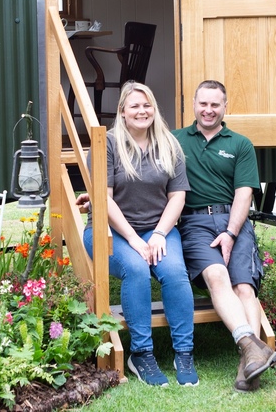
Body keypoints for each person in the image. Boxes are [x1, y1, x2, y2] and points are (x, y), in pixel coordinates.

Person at [80, 81, 198, 387]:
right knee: (136, 269)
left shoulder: (169, 144)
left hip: (157, 229)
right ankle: (142, 353)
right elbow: (103, 200)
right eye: (134, 106)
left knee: (174, 272)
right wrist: (135, 240)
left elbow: (178, 197)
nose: (142, 111)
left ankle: (184, 352)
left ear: (154, 110)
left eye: (147, 105)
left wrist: (159, 234)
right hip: (109, 230)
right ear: (122, 111)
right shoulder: (106, 144)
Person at [172, 80, 276, 392]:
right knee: (218, 276)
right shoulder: (176, 141)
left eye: (215, 105)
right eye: (203, 104)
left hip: (235, 219)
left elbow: (244, 194)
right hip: (194, 223)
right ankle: (253, 350)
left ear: (224, 107)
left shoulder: (240, 144)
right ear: (193, 105)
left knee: (244, 287)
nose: (208, 110)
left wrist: (232, 232)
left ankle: (248, 361)